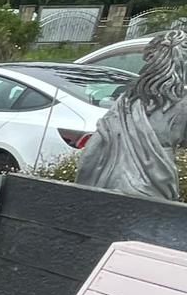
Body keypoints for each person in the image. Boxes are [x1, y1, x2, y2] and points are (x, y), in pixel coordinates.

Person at [77, 26, 186, 201]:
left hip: (110, 184)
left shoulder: (127, 100)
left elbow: (94, 147)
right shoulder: (182, 103)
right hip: (156, 186)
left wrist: (81, 186)